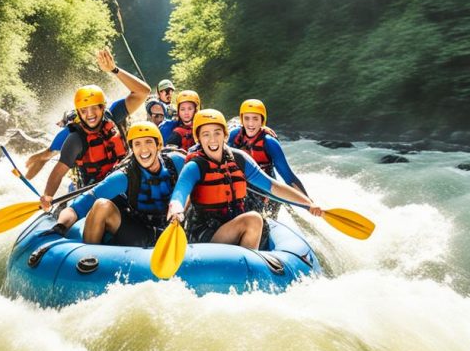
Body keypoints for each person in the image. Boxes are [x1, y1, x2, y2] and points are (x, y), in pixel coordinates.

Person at [165, 109, 322, 250]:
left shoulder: (239, 159)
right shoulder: (195, 165)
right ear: (198, 138)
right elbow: (180, 192)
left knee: (258, 220)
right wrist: (175, 209)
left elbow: (273, 186)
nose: (212, 139)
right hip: (206, 233)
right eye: (206, 134)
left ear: (225, 136)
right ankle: (248, 270)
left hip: (232, 225)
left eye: (217, 133)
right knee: (254, 219)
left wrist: (307, 204)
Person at [38, 49, 150, 210]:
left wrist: (114, 70)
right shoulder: (76, 139)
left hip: (127, 182)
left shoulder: (113, 115)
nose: (90, 115)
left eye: (94, 109)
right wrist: (48, 196)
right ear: (78, 113)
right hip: (97, 193)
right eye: (84, 111)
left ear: (102, 107)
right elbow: (58, 172)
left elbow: (143, 92)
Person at [51, 122, 185, 245]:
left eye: (148, 142)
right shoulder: (124, 176)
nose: (143, 149)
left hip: (176, 226)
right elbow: (78, 207)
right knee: (101, 205)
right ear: (132, 148)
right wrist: (60, 227)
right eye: (137, 144)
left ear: (158, 145)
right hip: (140, 232)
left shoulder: (177, 162)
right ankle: (88, 262)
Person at [227, 99, 306, 217]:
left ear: (262, 121)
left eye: (255, 119)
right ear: (242, 120)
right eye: (247, 118)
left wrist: (308, 203)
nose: (251, 124)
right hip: (243, 188)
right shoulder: (234, 135)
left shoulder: (269, 142)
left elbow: (288, 176)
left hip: (268, 190)